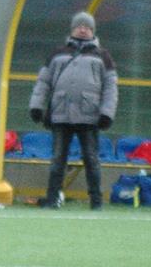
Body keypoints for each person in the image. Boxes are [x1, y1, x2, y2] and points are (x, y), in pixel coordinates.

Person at [28, 11, 117, 210]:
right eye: (79, 25)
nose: (83, 29)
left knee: (91, 159)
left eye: (87, 26)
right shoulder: (57, 53)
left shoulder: (103, 55)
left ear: (93, 31)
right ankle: (51, 199)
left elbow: (111, 87)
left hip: (90, 116)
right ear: (72, 28)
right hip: (61, 115)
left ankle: (96, 202)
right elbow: (44, 82)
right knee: (58, 159)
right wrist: (36, 106)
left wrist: (106, 113)